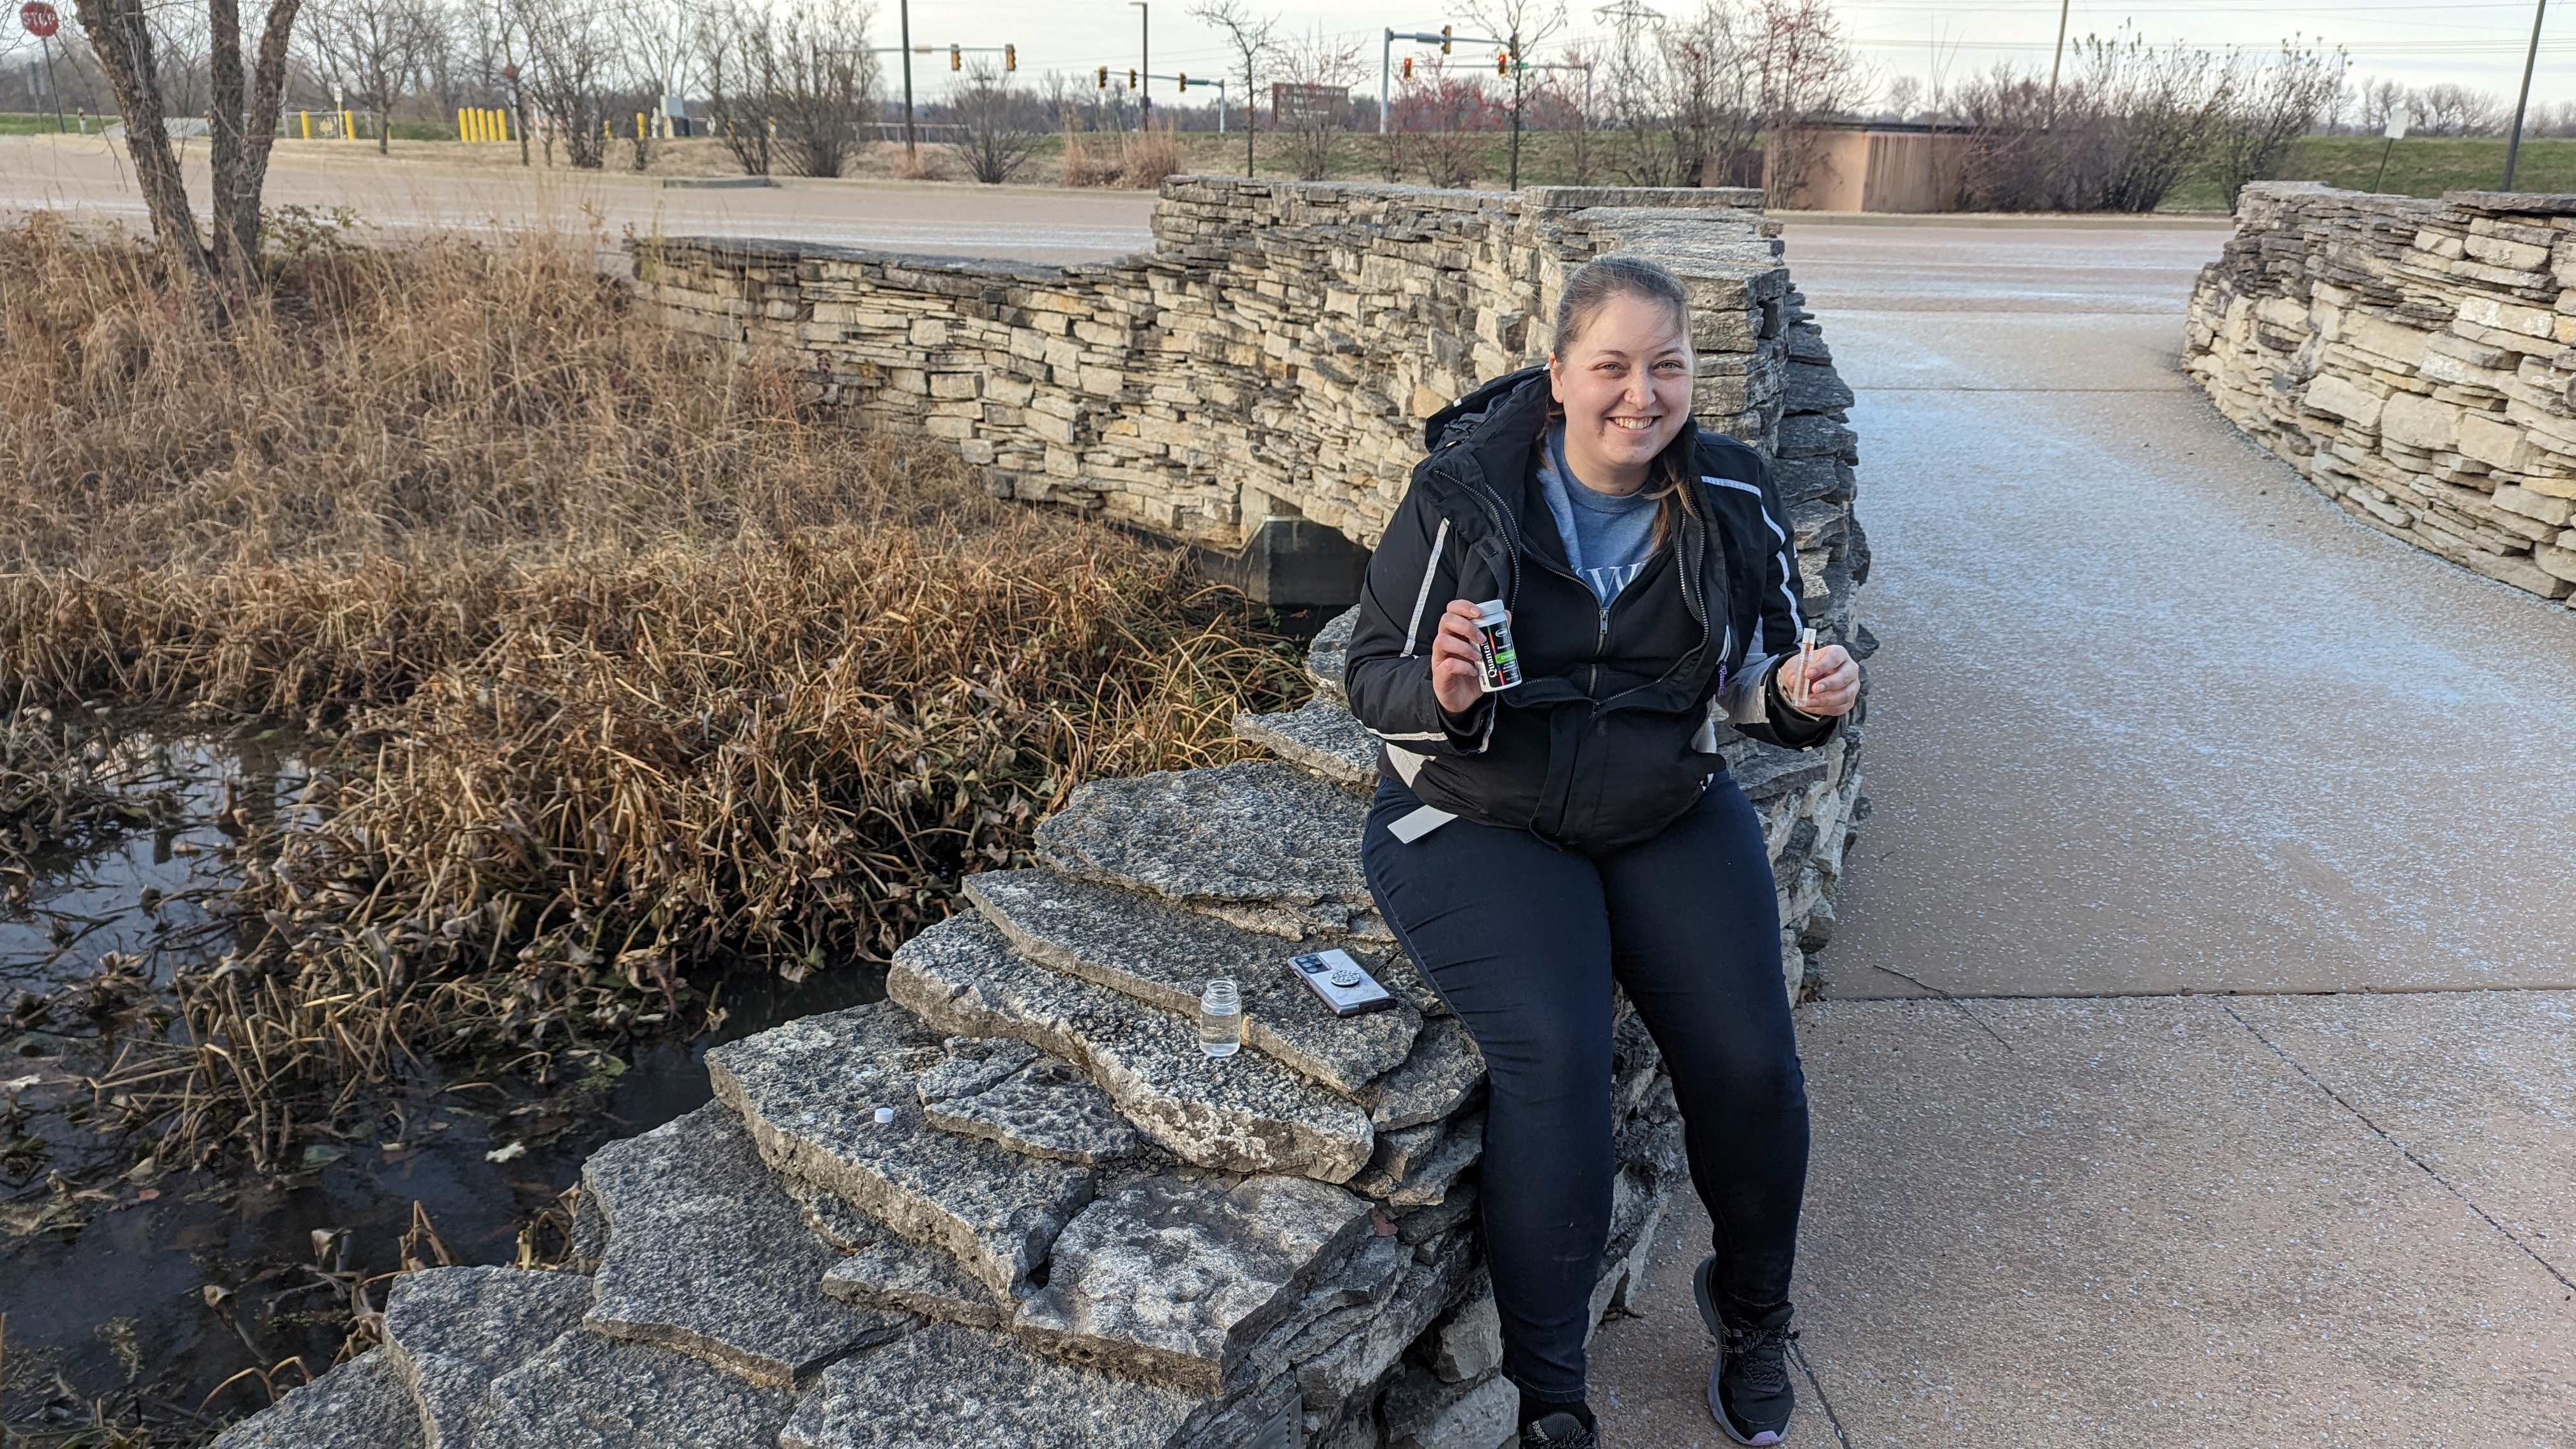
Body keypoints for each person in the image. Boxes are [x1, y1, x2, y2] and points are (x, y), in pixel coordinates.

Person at [1344, 255, 1859, 1448]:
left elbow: (1759, 671)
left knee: (1749, 1064)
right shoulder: (1465, 493)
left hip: (1661, 805)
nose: (1643, 394)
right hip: (1479, 810)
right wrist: (1444, 685)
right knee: (1560, 1062)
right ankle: (1552, 1389)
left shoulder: (1731, 487)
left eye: (1667, 365)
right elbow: (1367, 669)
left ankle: (1751, 1310)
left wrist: (1803, 691)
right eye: (1614, 366)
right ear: (1563, 371)